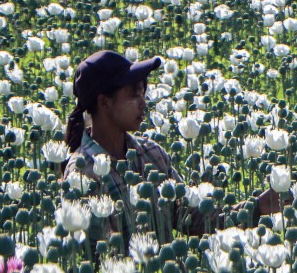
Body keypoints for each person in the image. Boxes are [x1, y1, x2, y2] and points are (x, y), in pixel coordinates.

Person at [63, 50, 283, 254]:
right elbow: (90, 258)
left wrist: (256, 208)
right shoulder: (82, 175)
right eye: (133, 95)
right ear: (104, 103)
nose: (143, 103)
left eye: (143, 92)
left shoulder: (151, 154)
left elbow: (190, 217)